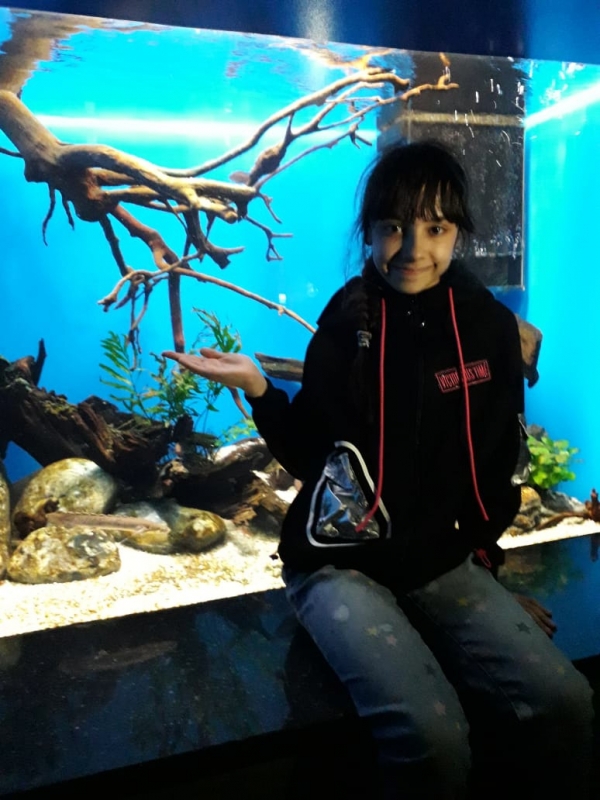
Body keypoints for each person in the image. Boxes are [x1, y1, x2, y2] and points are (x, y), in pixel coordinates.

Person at [164, 140, 594, 799]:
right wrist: (260, 390)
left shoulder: (487, 329)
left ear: (458, 232)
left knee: (568, 702)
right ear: (368, 232)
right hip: (339, 566)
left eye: (435, 228)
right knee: (432, 737)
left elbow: (496, 463)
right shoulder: (346, 321)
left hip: (443, 561)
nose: (413, 248)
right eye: (393, 226)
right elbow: (315, 456)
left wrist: (486, 569)